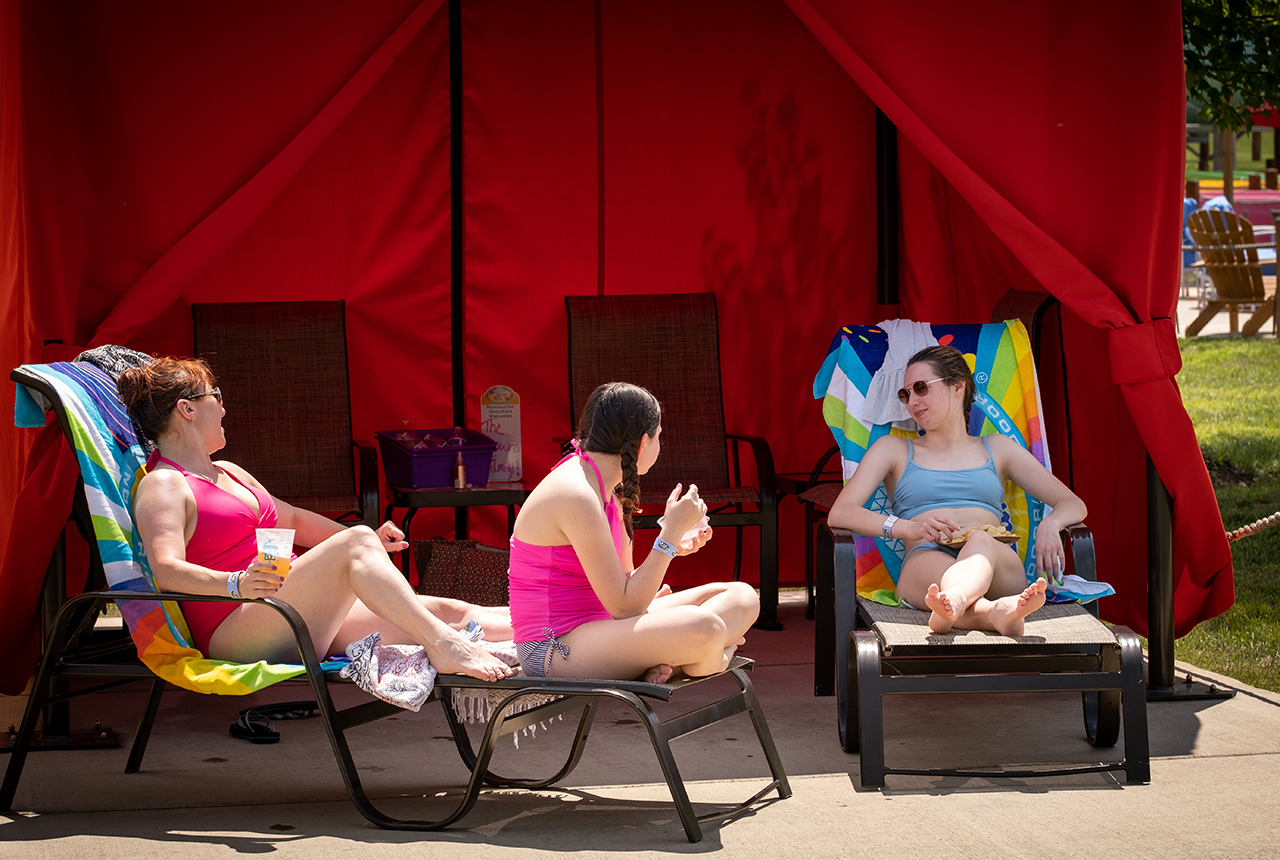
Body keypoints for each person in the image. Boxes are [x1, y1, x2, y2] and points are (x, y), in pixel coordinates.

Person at [118, 357, 515, 682]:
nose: (223, 407)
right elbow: (165, 570)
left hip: (287, 607)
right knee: (414, 604)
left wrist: (368, 540)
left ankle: (561, 627)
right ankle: (443, 645)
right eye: (215, 396)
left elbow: (293, 519)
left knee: (446, 612)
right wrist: (235, 583)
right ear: (187, 409)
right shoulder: (164, 484)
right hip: (235, 627)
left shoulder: (230, 472)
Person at [507, 382, 759, 683]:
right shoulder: (576, 494)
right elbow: (627, 607)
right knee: (706, 627)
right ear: (642, 443)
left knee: (741, 597)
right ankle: (712, 657)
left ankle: (679, 659)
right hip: (554, 649)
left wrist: (673, 543)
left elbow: (624, 587)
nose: (660, 445)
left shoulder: (606, 488)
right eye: (659, 437)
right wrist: (667, 538)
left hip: (603, 626)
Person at [827, 345, 1086, 636]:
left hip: (996, 560)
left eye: (921, 388)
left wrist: (1051, 524)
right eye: (905, 394)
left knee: (980, 539)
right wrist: (908, 528)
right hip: (927, 556)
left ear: (957, 386)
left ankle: (956, 602)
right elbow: (841, 513)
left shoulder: (997, 447)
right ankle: (995, 613)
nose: (912, 401)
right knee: (951, 579)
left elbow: (1071, 502)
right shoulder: (893, 449)